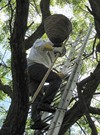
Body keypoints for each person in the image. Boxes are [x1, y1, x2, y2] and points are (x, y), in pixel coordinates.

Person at [27, 38, 66, 130]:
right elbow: (43, 46)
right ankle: (45, 104)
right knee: (56, 80)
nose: (57, 55)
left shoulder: (51, 56)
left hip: (34, 73)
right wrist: (55, 49)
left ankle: (37, 121)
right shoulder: (43, 42)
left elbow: (45, 72)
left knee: (37, 95)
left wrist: (61, 75)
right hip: (33, 66)